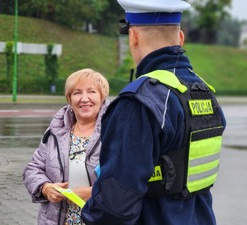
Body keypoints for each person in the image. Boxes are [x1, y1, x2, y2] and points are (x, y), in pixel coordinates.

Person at [81, 0, 226, 225]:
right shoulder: (205, 92)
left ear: (134, 37)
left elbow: (115, 206)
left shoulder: (139, 102)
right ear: (180, 39)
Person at [23, 68, 110, 225]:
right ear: (69, 99)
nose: (84, 99)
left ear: (102, 97)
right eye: (77, 93)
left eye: (91, 92)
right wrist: (45, 187)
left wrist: (94, 192)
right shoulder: (55, 132)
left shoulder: (115, 131)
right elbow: (33, 169)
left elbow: (129, 180)